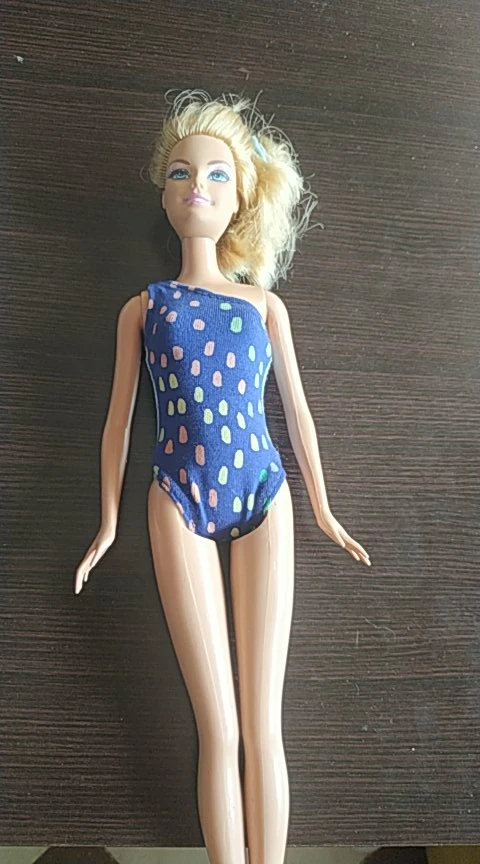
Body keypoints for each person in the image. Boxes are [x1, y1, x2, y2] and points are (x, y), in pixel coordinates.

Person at [75, 89, 371, 864]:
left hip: (264, 494)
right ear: (164, 194)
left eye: (214, 174)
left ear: (241, 196)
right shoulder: (145, 308)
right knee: (220, 725)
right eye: (180, 172)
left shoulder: (265, 306)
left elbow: (298, 416)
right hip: (176, 496)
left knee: (264, 723)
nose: (196, 187)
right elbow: (118, 421)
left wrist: (324, 509)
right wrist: (106, 522)